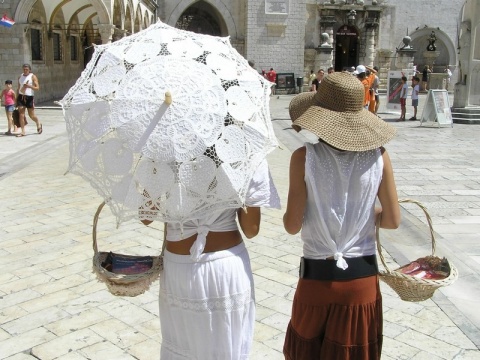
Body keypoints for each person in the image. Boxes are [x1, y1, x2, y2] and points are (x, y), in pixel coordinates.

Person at [283, 72, 400, 359]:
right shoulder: (379, 156)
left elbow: (292, 225)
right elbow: (393, 220)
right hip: (361, 282)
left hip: (317, 279)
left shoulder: (303, 157)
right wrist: (367, 213)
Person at [143, 160, 280, 359]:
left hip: (180, 270)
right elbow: (251, 229)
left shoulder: (163, 148)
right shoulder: (245, 153)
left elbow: (146, 215)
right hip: (227, 266)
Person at [16, 63, 42, 137]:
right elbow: (18, 88)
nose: (25, 70)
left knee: (31, 115)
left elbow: (37, 88)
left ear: (29, 70)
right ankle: (23, 131)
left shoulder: (32, 76)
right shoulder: (20, 77)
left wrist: (29, 86)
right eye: (24, 69)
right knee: (21, 114)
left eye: (26, 69)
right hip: (21, 96)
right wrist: (16, 98)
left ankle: (38, 123)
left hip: (29, 97)